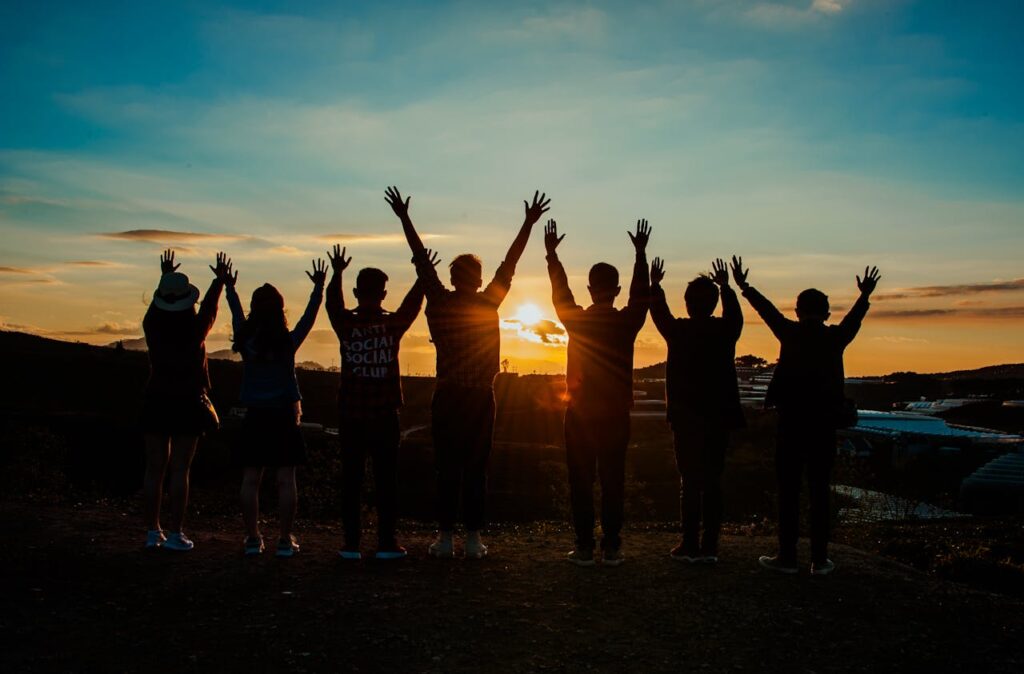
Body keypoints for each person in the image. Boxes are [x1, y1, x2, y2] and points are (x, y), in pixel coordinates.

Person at [386, 186, 550, 559]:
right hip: (479, 397)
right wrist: (527, 223)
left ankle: (445, 538)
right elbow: (510, 263)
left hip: (448, 396)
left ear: (453, 276)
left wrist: (404, 218)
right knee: (477, 469)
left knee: (447, 468)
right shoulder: (489, 301)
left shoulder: (440, 302)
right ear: (477, 279)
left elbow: (420, 260)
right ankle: (474, 539)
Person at [733, 257, 880, 576]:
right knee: (819, 490)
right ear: (827, 313)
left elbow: (766, 310)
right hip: (824, 424)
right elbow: (854, 320)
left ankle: (786, 556)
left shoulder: (790, 333)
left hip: (791, 423)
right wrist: (864, 295)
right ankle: (820, 558)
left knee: (788, 490)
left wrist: (745, 286)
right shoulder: (835, 338)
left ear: (797, 311)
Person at [544, 218, 651, 567]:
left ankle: (585, 546)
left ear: (590, 289)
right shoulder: (626, 322)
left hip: (579, 413)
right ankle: (612, 546)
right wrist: (640, 255)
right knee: (612, 479)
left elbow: (561, 293)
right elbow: (641, 297)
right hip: (616, 413)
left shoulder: (576, 320)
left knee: (581, 481)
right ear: (616, 289)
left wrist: (552, 257)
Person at [325, 244, 433, 561]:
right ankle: (386, 542)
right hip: (384, 416)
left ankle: (350, 544)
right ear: (384, 293)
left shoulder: (346, 325)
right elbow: (413, 305)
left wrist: (336, 274)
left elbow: (332, 304)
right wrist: (421, 276)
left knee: (352, 480)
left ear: (357, 292)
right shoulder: (392, 325)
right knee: (386, 481)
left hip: (350, 415)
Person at [226, 258, 327, 558]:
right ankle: (284, 539)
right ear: (280, 310)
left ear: (254, 309)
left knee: (250, 479)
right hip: (284, 416)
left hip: (255, 416)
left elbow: (234, 312)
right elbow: (309, 318)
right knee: (286, 480)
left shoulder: (246, 340)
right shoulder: (287, 342)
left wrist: (229, 287)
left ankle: (252, 538)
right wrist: (318, 288)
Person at [650, 257, 744, 564]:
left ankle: (688, 543)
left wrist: (655, 285)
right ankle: (710, 546)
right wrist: (727, 287)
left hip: (686, 417)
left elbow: (659, 313)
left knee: (688, 481)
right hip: (719, 415)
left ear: (687, 303)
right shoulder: (725, 331)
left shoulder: (679, 331)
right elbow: (736, 317)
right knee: (713, 480)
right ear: (714, 303)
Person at [140, 250, 230, 551]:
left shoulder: (151, 324)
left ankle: (153, 531)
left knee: (154, 468)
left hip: (157, 397)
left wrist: (164, 276)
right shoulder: (195, 329)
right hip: (188, 400)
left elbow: (160, 305)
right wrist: (219, 281)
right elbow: (210, 310)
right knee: (180, 469)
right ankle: (176, 532)